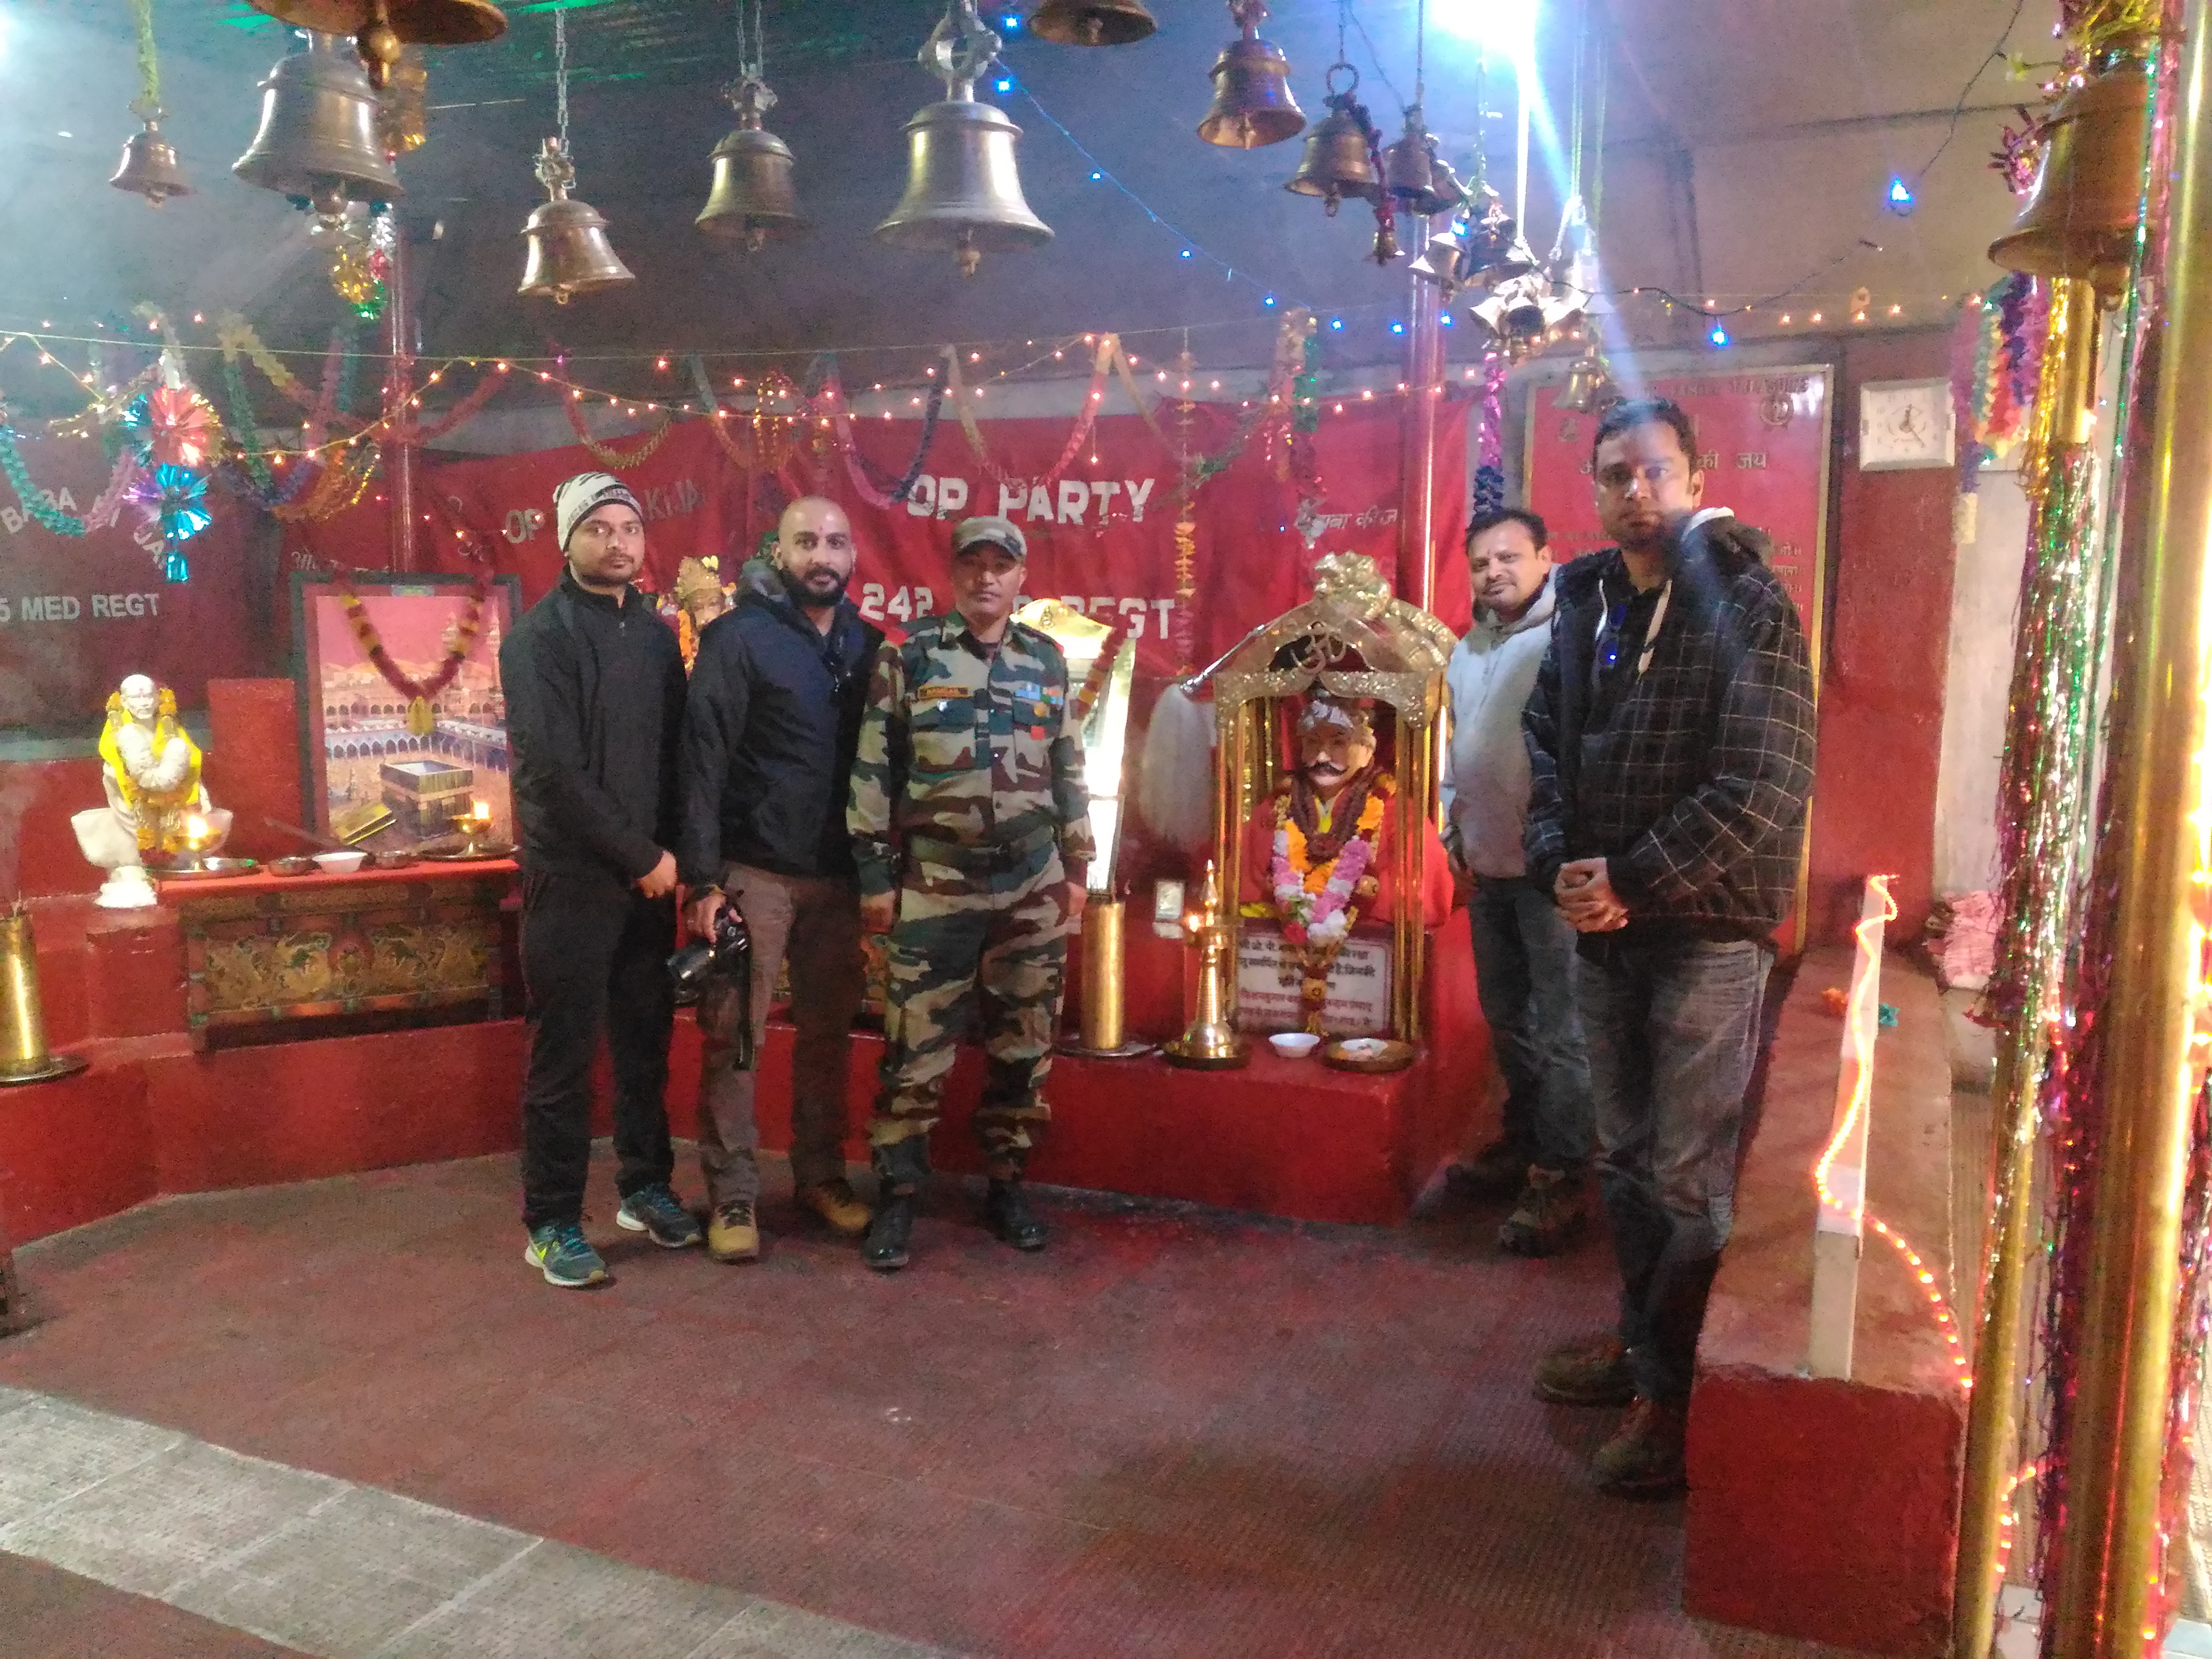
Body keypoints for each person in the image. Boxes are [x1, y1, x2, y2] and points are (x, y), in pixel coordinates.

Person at [1522, 397, 1815, 1495]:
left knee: (1686, 1176)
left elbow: (1763, 782)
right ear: (1594, 489)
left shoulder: (1747, 601)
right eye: (1614, 474)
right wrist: (1561, 862)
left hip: (1704, 932)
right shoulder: (1584, 598)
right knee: (1623, 1157)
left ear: (1693, 477)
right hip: (1603, 928)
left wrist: (1631, 881)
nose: (1633, 491)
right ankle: (1643, 1346)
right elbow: (1542, 742)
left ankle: (1679, 1396)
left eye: (1653, 471)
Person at [847, 514, 1091, 1272]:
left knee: (1025, 1046)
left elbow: (1068, 766)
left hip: (1031, 884)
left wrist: (1079, 868)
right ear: (953, 573)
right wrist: (875, 877)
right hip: (936, 884)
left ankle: (1007, 1185)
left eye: (1001, 565)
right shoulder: (911, 654)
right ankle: (897, 1196)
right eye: (974, 564)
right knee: (914, 1052)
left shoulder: (1046, 660)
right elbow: (872, 769)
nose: (987, 577)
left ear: (1022, 578)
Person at [502, 471, 696, 1289]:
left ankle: (645, 1187)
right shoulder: (537, 640)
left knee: (645, 1044)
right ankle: (551, 1222)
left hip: (649, 883)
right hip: (573, 878)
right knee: (566, 1054)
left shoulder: (654, 636)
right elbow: (553, 771)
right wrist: (641, 858)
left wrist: (682, 859)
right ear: (567, 540)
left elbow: (676, 754)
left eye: (630, 529)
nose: (618, 543)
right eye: (598, 528)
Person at [679, 497, 884, 1263]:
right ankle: (733, 1195)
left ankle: (821, 1176)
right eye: (806, 543)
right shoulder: (738, 639)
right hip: (753, 874)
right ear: (780, 552)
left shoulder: (869, 645)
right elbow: (702, 763)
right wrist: (703, 882)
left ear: (853, 555)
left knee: (828, 1036)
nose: (821, 557)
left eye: (835, 543)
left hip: (839, 878)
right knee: (737, 1037)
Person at [1441, 508, 1595, 1257]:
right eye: (1480, 563)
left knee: (1564, 1031)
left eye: (1508, 557)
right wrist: (1452, 829)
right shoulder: (1466, 649)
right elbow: (1455, 748)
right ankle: (1526, 1141)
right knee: (1508, 1018)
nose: (1493, 572)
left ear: (1544, 558)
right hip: (1487, 865)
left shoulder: (1572, 635)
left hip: (1550, 870)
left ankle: (1563, 1174)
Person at [1237, 694, 1452, 1029]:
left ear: (1366, 750)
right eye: (1312, 743)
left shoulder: (1397, 813)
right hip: (1279, 965)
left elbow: (1422, 893)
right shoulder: (1276, 807)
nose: (1323, 756)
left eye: (1338, 743)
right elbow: (1243, 881)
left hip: (1362, 966)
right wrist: (1284, 900)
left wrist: (1354, 900)